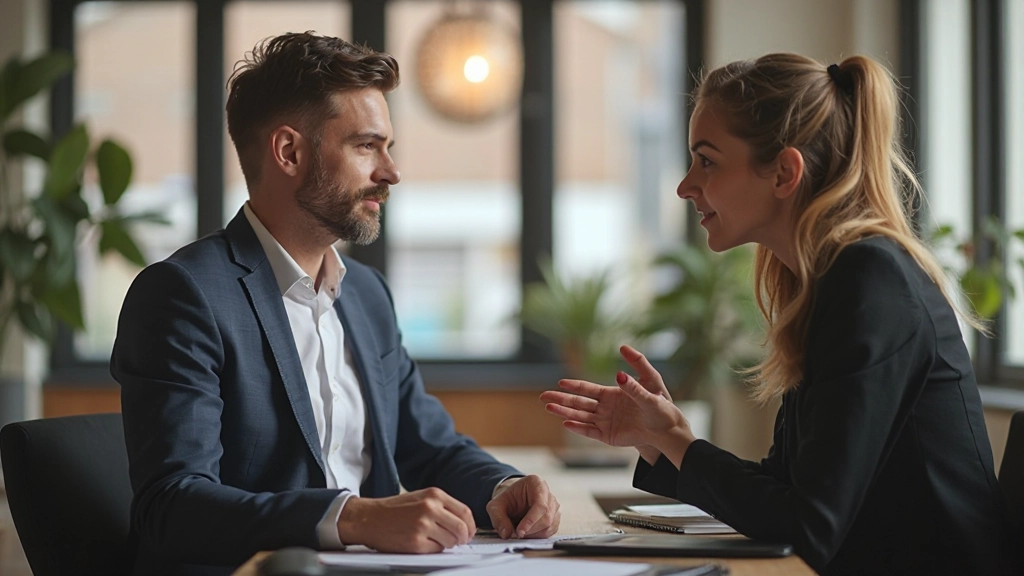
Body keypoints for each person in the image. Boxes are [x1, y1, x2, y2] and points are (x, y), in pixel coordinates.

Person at [540, 53, 1021, 575]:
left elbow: (807, 526)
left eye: (706, 160)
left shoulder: (870, 282)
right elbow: (786, 489)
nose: (684, 186)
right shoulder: (829, 281)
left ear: (784, 173)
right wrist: (665, 435)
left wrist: (677, 441)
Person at [111, 32, 559, 576]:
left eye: (387, 147)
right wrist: (354, 518)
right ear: (289, 151)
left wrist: (504, 486)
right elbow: (172, 505)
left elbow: (429, 446)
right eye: (367, 146)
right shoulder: (183, 295)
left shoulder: (367, 295)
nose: (391, 172)